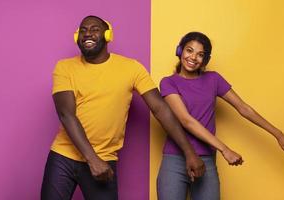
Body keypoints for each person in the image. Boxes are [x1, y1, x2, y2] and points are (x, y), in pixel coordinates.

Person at [41, 16, 205, 200]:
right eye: (83, 30)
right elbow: (66, 114)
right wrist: (92, 160)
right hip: (63, 157)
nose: (87, 33)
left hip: (104, 157)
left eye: (94, 29)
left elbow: (160, 109)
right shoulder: (64, 67)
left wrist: (189, 152)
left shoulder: (131, 68)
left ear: (107, 34)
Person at [157, 32, 284, 200]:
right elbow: (186, 120)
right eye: (189, 50)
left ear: (205, 60)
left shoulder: (213, 79)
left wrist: (278, 135)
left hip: (206, 159)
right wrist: (225, 149)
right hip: (175, 160)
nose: (193, 57)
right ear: (180, 51)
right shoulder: (168, 82)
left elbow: (243, 108)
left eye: (200, 54)